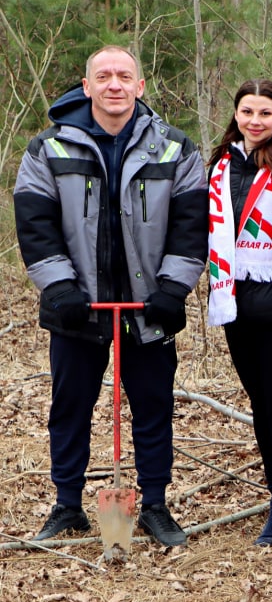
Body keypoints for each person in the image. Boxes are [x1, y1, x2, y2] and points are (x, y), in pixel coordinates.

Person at [14, 45, 207, 547]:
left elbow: (191, 226)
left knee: (153, 405)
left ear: (141, 87)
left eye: (125, 76)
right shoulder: (48, 150)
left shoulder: (175, 149)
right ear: (87, 86)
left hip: (149, 309)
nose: (115, 84)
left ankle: (156, 505)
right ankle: (67, 505)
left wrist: (173, 288)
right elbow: (35, 226)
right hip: (77, 307)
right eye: (104, 76)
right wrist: (58, 286)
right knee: (70, 405)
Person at [207, 80, 272, 547]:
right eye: (246, 111)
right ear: (236, 114)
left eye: (265, 112)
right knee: (259, 405)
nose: (255, 120)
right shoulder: (221, 163)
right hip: (234, 300)